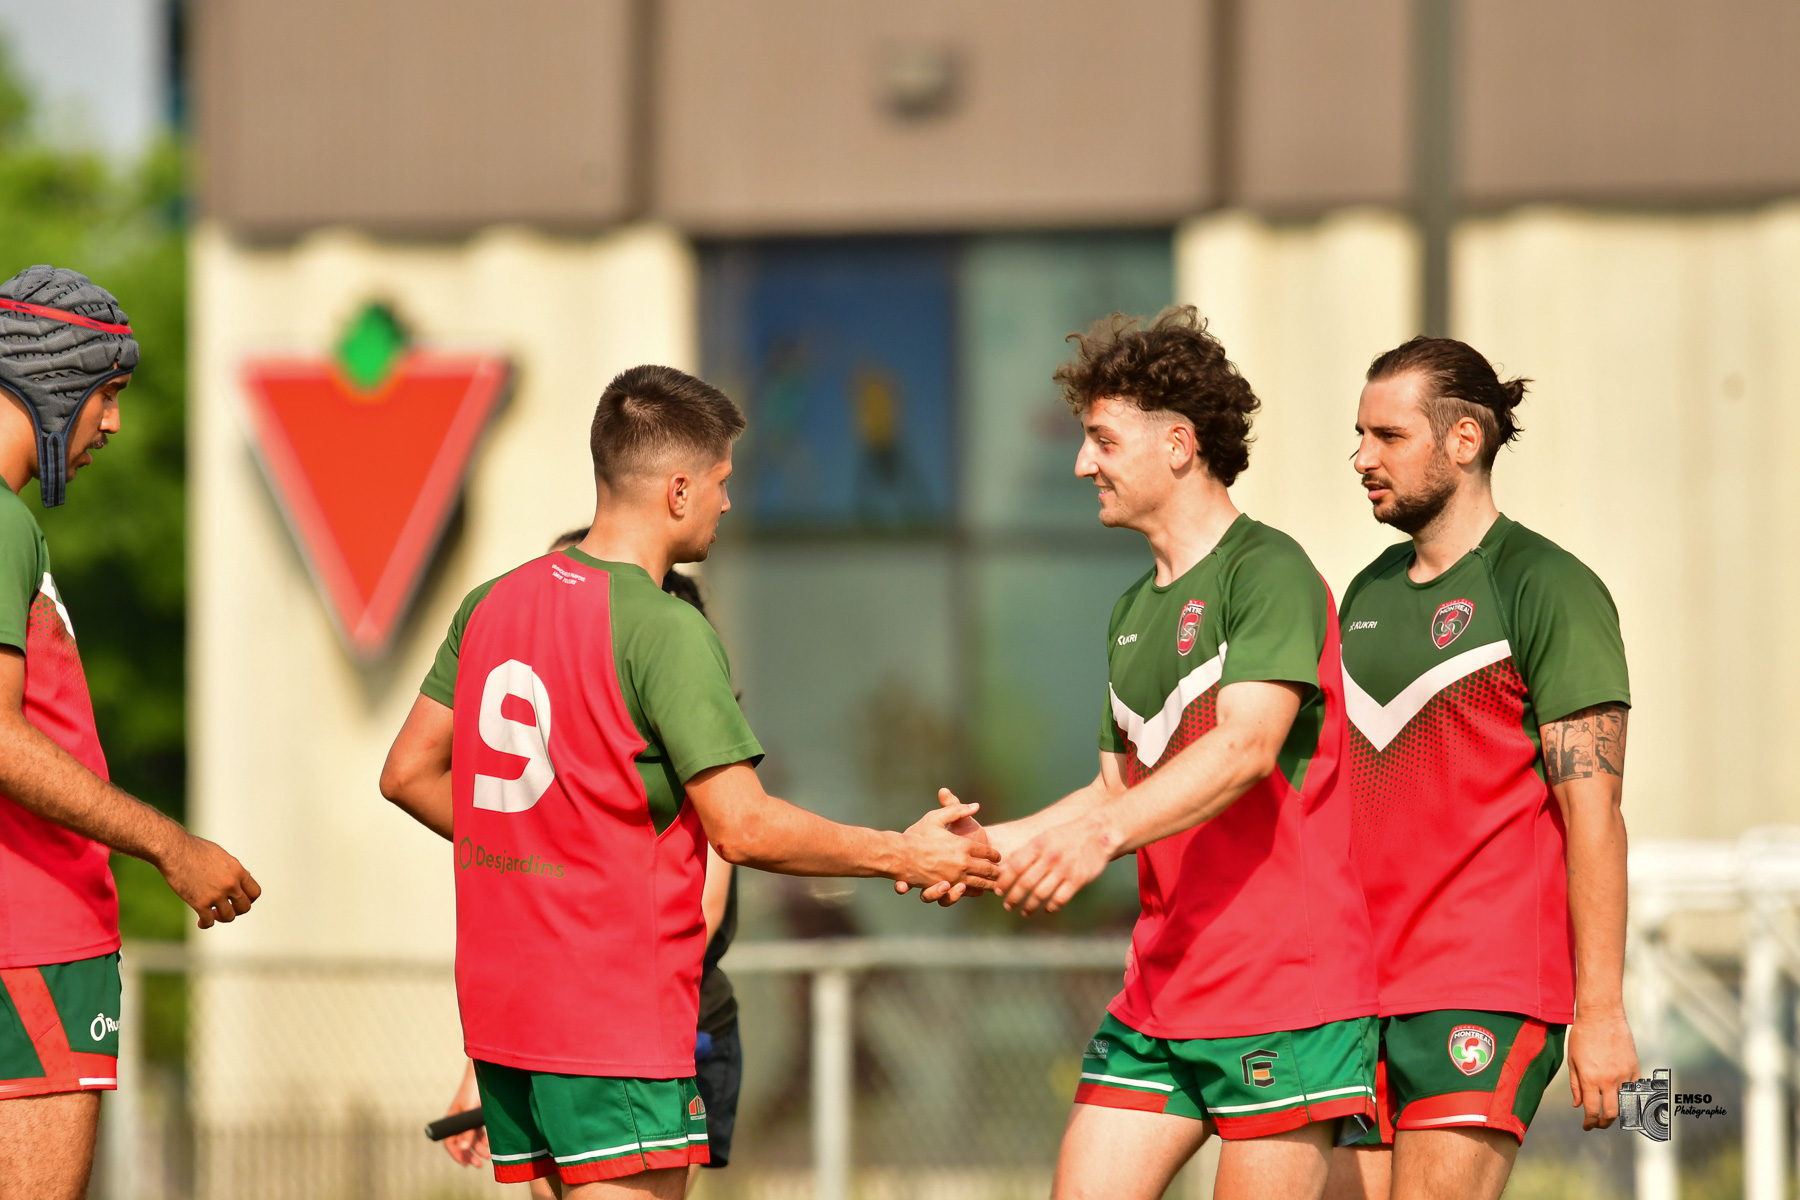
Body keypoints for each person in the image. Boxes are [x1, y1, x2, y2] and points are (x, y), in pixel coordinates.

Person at [379, 364, 998, 1199]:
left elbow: (408, 771)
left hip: (505, 1010)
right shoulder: (667, 628)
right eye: (721, 483)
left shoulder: (492, 602)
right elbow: (743, 827)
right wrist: (903, 854)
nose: (728, 504)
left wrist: (546, 840)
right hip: (610, 1015)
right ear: (677, 491)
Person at [929, 308, 1379, 1200]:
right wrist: (979, 847)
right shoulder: (1132, 610)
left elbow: (1246, 747)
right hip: (1165, 988)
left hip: (1281, 991)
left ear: (1178, 444)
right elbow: (1113, 791)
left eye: (1101, 440)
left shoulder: (1270, 571)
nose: (1080, 464)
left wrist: (1098, 841)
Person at [1323, 338, 1636, 1200]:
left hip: (1484, 982)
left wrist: (1601, 1013)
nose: (1361, 458)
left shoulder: (1547, 586)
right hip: (1358, 991)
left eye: (1387, 435)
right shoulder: (1365, 593)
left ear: (1464, 441)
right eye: (1359, 435)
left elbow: (1595, 816)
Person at [0, 265, 261, 1199]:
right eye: (107, 394)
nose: (112, 423)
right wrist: (169, 844)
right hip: (30, 938)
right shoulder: (1, 523)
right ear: (54, 378)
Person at [438, 533, 746, 1199]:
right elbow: (406, 775)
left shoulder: (679, 712)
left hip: (657, 1027)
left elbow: (707, 899)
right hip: (577, 1026)